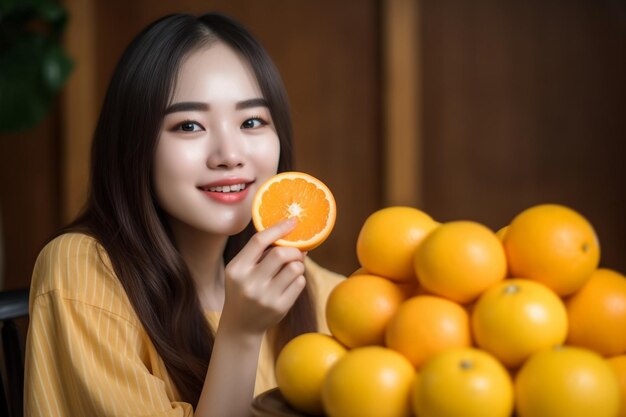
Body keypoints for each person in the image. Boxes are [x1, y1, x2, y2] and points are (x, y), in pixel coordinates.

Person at [24, 12, 344, 417]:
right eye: (189, 126)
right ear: (134, 143)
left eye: (251, 121)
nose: (229, 155)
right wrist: (241, 334)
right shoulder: (81, 269)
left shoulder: (284, 278)